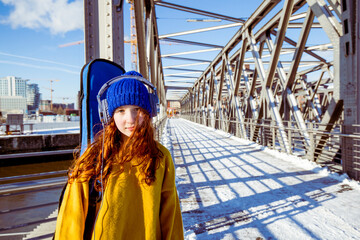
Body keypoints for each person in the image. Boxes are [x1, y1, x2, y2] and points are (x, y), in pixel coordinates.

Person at [54, 71, 184, 240]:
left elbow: (170, 216)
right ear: (108, 115)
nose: (130, 119)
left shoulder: (160, 157)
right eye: (121, 110)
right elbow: (71, 219)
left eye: (137, 109)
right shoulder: (94, 158)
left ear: (149, 112)